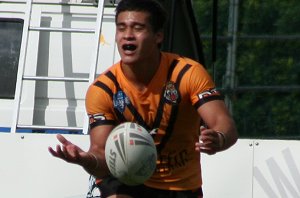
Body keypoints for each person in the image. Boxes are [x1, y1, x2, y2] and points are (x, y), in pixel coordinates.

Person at [48, 0, 238, 197]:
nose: (128, 35)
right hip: (124, 180)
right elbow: (101, 157)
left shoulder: (188, 74)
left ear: (158, 36)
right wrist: (85, 160)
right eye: (121, 28)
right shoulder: (103, 89)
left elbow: (224, 124)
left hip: (180, 186)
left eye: (138, 28)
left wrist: (219, 138)